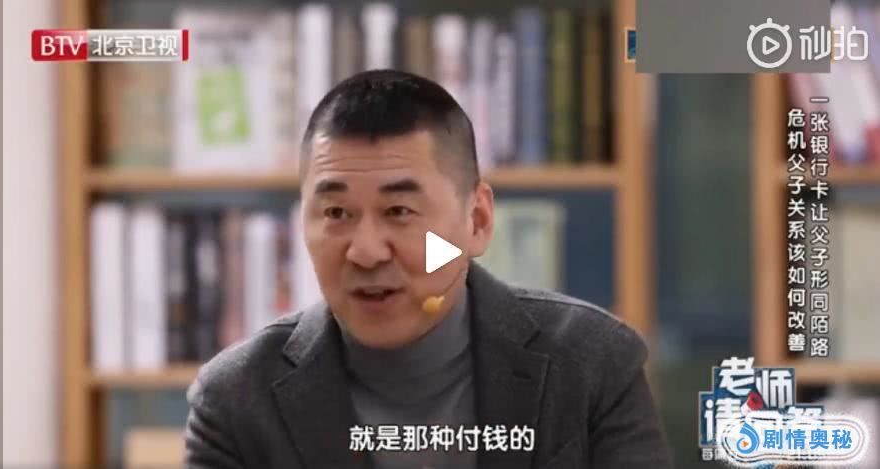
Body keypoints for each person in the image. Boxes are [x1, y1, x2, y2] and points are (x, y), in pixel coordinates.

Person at [185, 69, 671, 469]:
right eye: (336, 213)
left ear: (477, 221)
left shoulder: (593, 364)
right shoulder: (236, 400)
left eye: (399, 212)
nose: (366, 252)